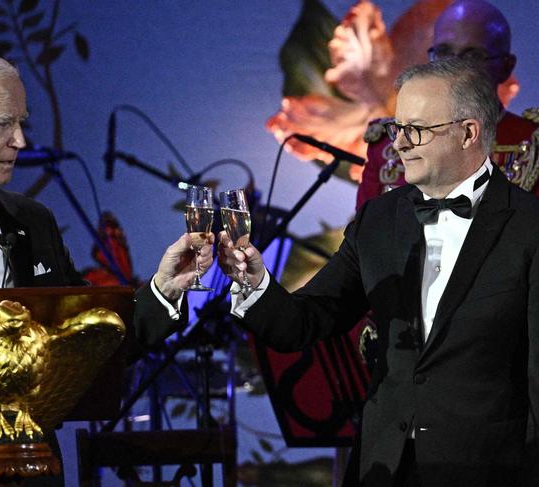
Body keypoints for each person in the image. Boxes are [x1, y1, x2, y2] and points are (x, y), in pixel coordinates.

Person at [0, 50, 213, 486]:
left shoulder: (33, 221)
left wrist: (164, 289)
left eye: (21, 123)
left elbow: (89, 339)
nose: (20, 141)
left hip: (33, 471)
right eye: (4, 123)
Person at [219, 58, 539, 486]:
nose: (400, 144)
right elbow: (307, 320)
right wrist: (252, 280)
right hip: (383, 469)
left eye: (417, 130)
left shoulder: (529, 227)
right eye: (397, 128)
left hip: (488, 470)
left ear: (468, 134)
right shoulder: (379, 220)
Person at [357, 0, 539, 209]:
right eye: (444, 52)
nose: (453, 65)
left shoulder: (532, 144)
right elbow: (364, 235)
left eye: (473, 55)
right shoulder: (388, 144)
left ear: (506, 67)